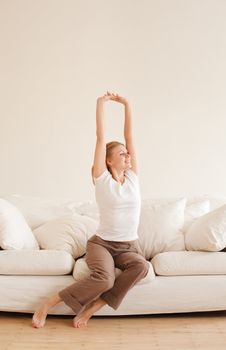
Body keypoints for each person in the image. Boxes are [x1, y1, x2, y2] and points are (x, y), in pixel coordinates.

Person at [32, 91, 149, 329]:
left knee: (142, 266)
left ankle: (95, 307)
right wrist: (100, 104)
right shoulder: (102, 179)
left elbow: (130, 135)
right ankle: (48, 304)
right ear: (108, 161)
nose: (128, 156)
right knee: (104, 279)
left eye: (128, 153)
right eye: (122, 154)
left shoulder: (133, 178)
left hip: (129, 246)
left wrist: (127, 104)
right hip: (102, 244)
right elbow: (100, 137)